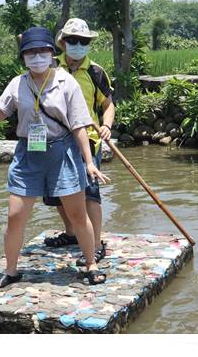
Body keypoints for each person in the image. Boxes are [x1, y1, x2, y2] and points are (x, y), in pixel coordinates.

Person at [0, 26, 109, 288]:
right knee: (15, 215)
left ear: (52, 53)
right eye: (31, 52)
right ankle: (11, 270)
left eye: (42, 51)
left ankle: (91, 264)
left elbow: (78, 126)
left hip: (63, 152)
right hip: (29, 153)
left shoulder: (66, 82)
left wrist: (88, 162)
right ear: (23, 57)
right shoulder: (18, 84)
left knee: (77, 215)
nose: (37, 56)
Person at [43, 18, 115, 267]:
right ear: (62, 43)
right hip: (54, 140)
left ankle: (96, 244)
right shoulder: (49, 68)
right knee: (56, 193)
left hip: (89, 140)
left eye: (83, 41)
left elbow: (108, 105)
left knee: (90, 194)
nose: (77, 45)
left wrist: (106, 125)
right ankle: (72, 232)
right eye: (72, 40)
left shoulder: (95, 72)